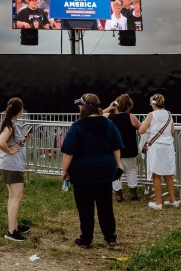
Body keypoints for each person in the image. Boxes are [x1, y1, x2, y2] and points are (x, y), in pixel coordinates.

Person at [61, 93, 123, 249]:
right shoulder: (108, 124)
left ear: (84, 107)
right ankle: (110, 237)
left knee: (85, 207)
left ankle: (86, 239)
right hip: (105, 169)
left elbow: (69, 152)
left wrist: (64, 171)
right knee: (105, 205)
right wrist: (117, 165)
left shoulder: (78, 126)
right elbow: (116, 146)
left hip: (83, 171)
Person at [0, 98, 33, 242]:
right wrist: (10, 151)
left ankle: (14, 225)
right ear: (20, 110)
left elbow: (12, 141)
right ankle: (12, 231)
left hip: (11, 165)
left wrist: (23, 140)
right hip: (12, 166)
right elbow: (0, 143)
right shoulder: (9, 126)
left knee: (13, 197)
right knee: (16, 197)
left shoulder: (11, 124)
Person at [139, 93, 179, 210]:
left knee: (156, 174)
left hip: (156, 146)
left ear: (152, 104)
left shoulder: (151, 115)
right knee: (168, 173)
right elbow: (172, 131)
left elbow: (141, 130)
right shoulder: (168, 114)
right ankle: (172, 199)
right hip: (168, 146)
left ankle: (158, 201)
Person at [103, 94, 141, 202]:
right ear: (129, 106)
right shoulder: (131, 117)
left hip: (114, 149)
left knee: (116, 171)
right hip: (129, 149)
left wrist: (110, 107)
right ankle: (133, 192)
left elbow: (97, 114)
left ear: (117, 106)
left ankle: (118, 194)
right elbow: (140, 127)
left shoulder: (108, 117)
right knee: (131, 170)